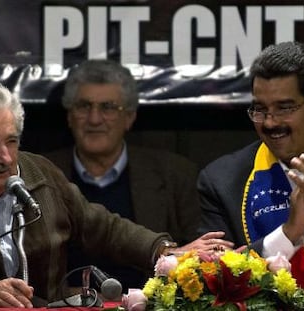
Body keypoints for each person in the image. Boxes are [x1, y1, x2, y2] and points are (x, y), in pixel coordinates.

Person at [0, 79, 231, 308]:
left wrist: (163, 251)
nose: (6, 158)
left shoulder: (39, 173)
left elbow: (101, 227)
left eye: (11, 141)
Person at [44, 59, 231, 291]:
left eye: (108, 107)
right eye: (83, 106)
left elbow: (199, 256)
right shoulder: (43, 175)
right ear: (70, 116)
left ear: (130, 117)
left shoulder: (175, 175)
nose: (94, 119)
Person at [197, 41, 304, 298]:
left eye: (284, 108)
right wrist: (287, 234)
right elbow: (212, 283)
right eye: (260, 109)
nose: (270, 123)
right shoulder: (223, 180)